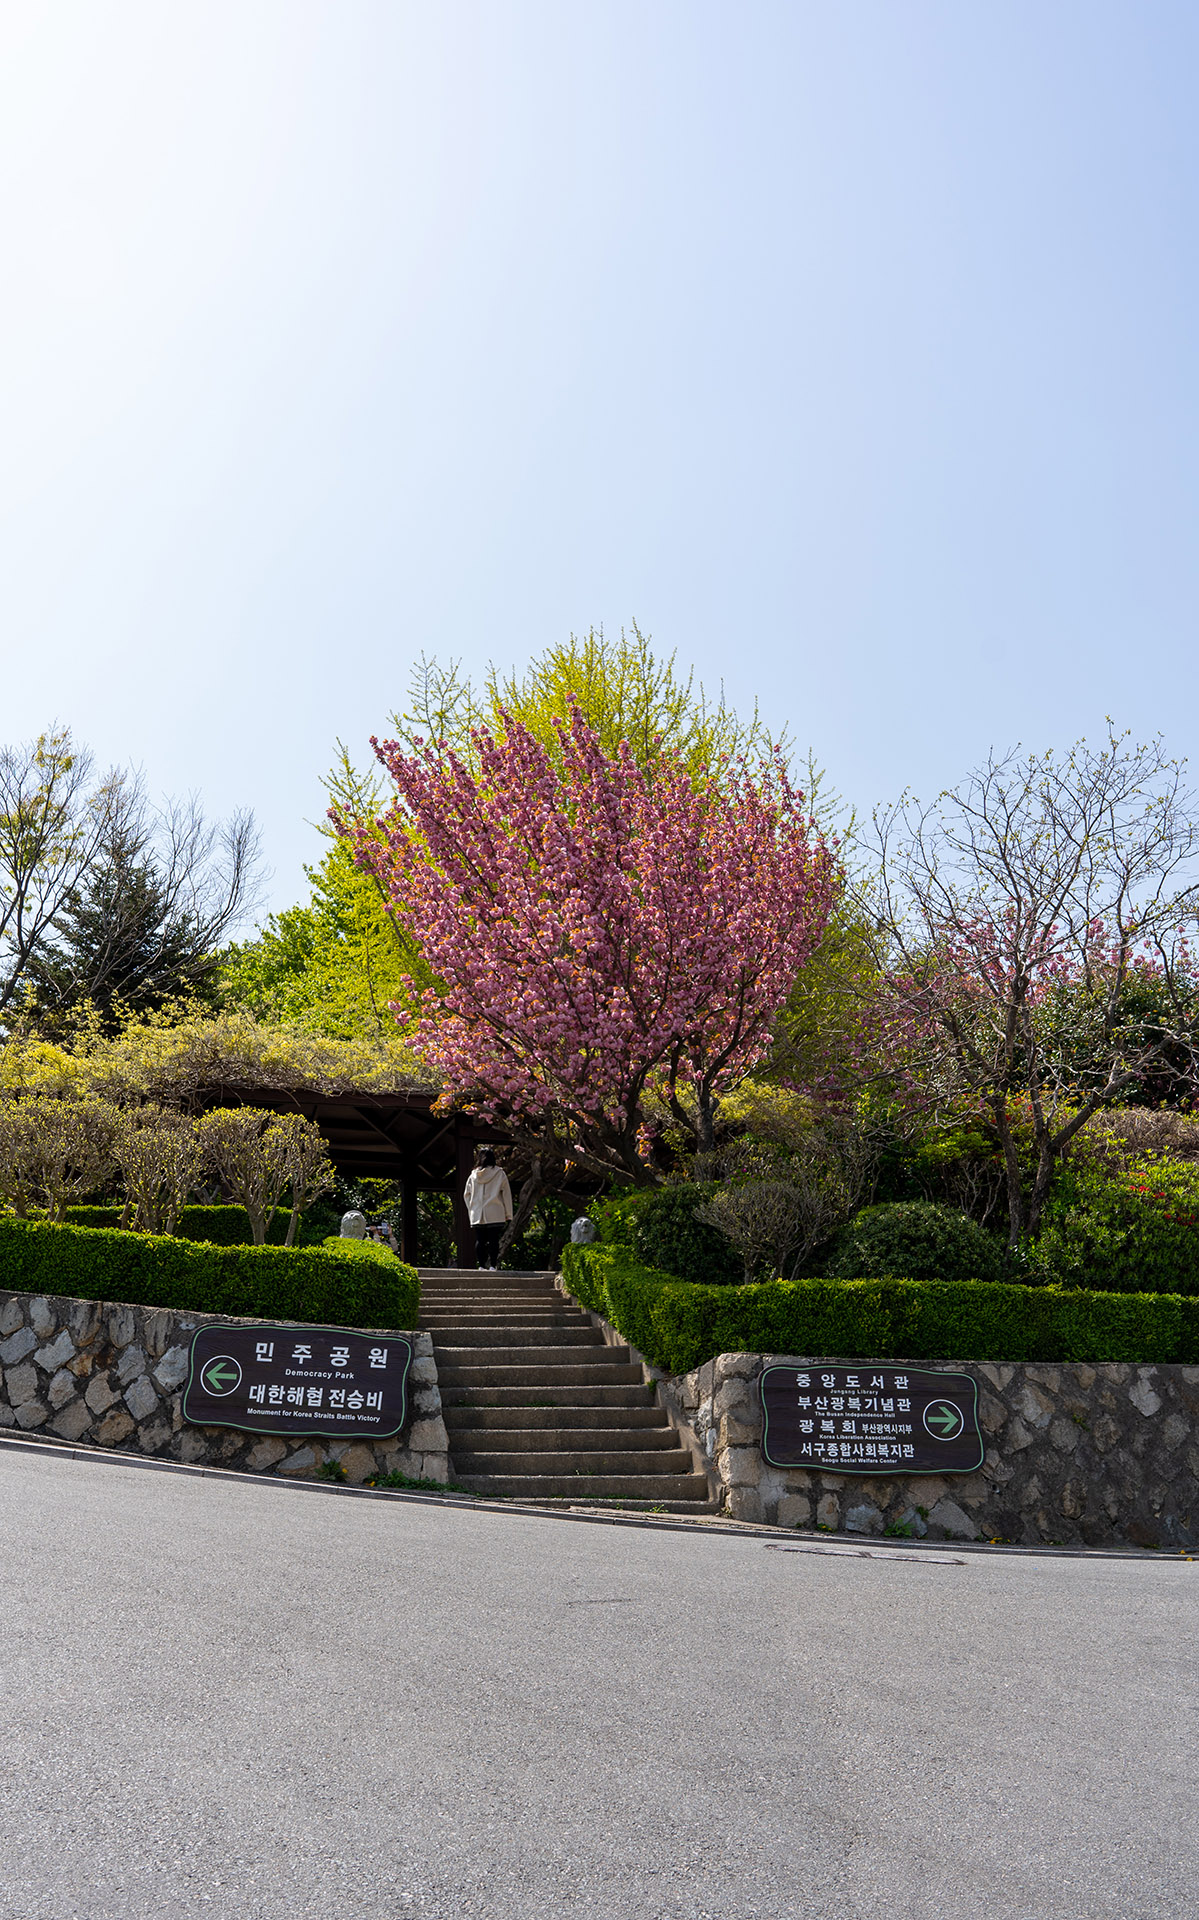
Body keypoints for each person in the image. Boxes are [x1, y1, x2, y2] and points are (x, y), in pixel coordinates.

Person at [463, 1148, 513, 1270]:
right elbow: (506, 1194)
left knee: (480, 1240)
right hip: (495, 1211)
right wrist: (508, 1213)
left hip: (478, 1212)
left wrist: (472, 1209)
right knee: (493, 1240)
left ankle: (481, 1265)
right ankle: (492, 1265)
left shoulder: (473, 1175)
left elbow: (466, 1194)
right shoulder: (500, 1173)